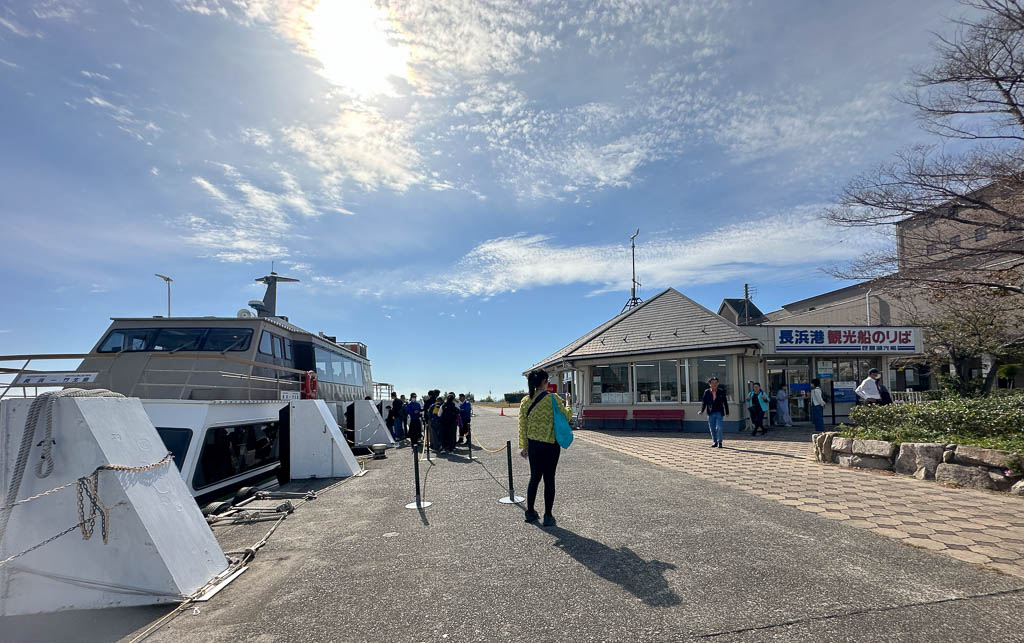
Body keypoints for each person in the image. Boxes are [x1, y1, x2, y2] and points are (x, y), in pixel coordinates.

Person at [519, 369, 572, 527]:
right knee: (549, 479)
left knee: (534, 478)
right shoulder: (553, 399)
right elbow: (567, 416)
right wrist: (568, 402)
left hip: (534, 445)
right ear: (543, 382)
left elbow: (522, 425)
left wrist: (523, 446)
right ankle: (548, 516)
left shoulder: (525, 401)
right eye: (547, 380)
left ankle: (530, 513)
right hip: (550, 445)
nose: (548, 383)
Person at [699, 377, 730, 448]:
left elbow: (725, 402)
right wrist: (702, 411)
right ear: (709, 384)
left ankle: (720, 442)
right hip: (710, 412)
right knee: (712, 428)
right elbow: (704, 402)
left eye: (716, 383)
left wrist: (727, 412)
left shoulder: (721, 391)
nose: (714, 384)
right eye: (712, 383)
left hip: (719, 412)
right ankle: (715, 441)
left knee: (719, 427)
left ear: (718, 383)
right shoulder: (707, 392)